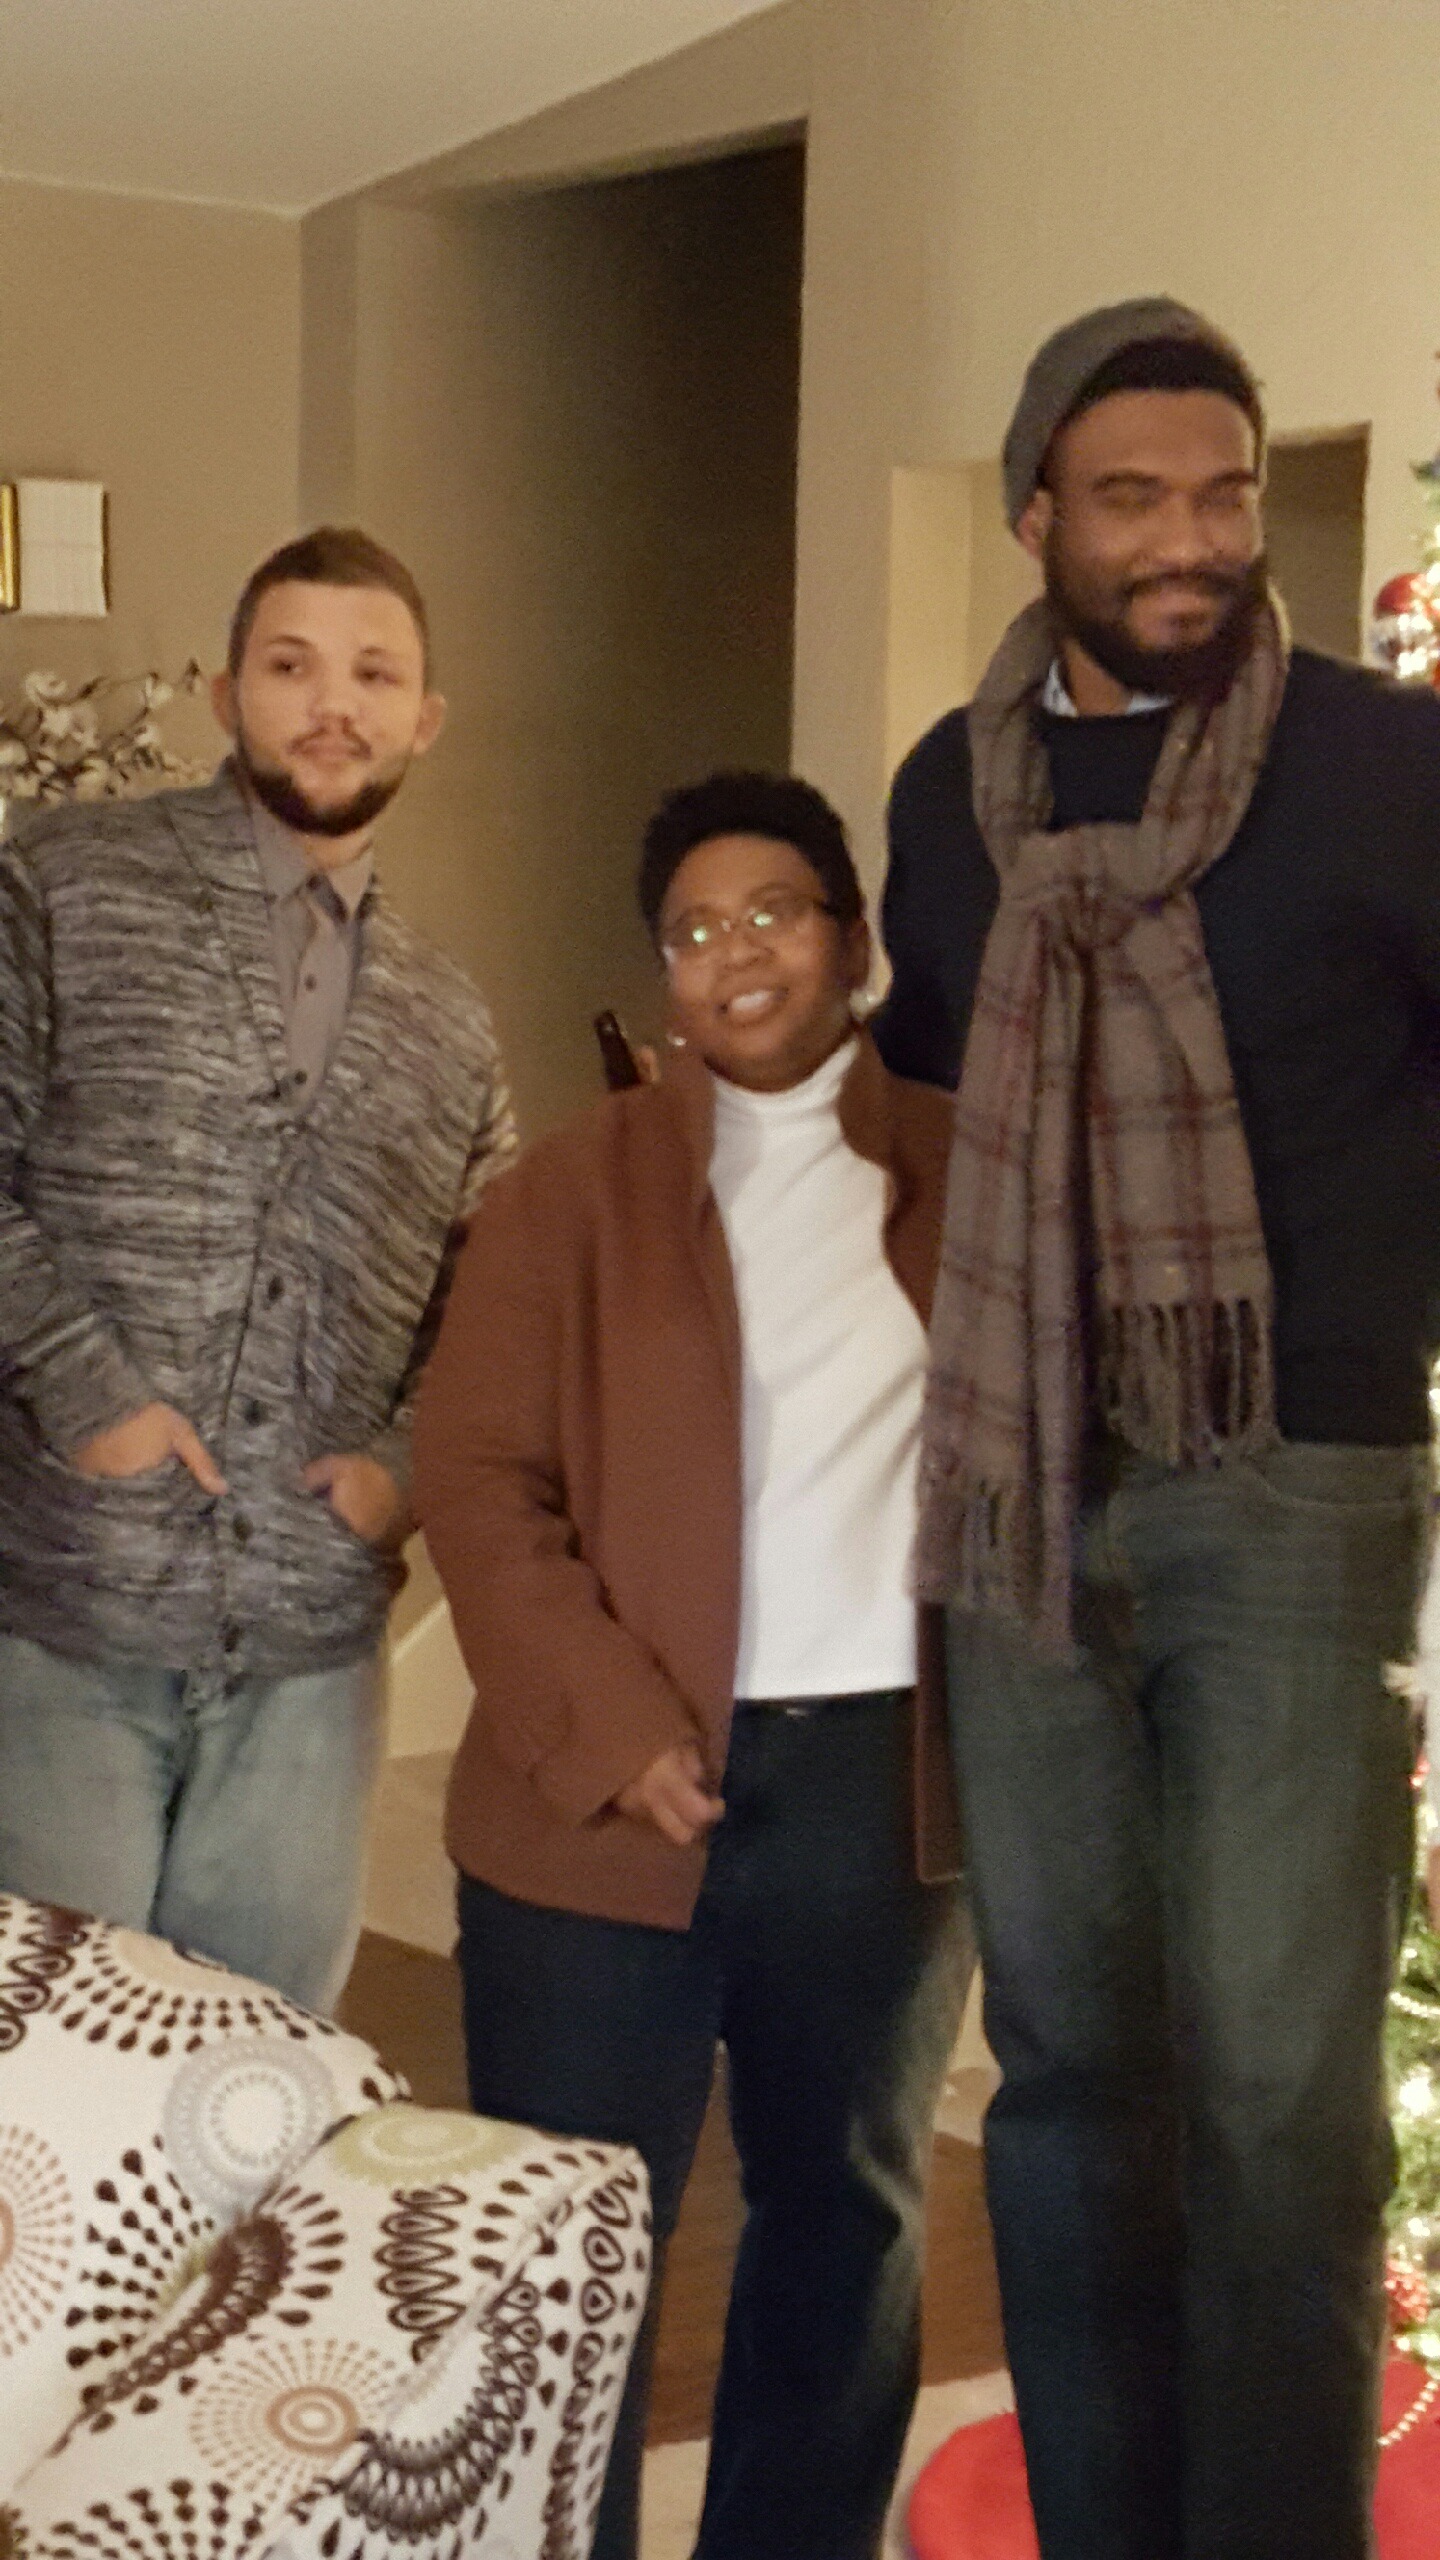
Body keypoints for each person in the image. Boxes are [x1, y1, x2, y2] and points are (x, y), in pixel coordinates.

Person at [877, 298, 1440, 2560]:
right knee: (1070, 2078)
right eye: (1132, 498)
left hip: (1296, 1489)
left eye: (1223, 493)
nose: (1190, 540)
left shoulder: (1389, 764)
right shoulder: (949, 796)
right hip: (1030, 1491)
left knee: (1283, 2096)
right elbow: (929, 1107)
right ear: (1040, 516)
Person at [414, 772, 970, 2560]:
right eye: (695, 929)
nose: (738, 951)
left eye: (775, 911)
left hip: (879, 1797)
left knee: (849, 2223)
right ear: (664, 971)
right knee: (568, 2243)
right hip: (602, 1802)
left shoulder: (969, 1170)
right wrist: (610, 1723)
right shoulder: (566, 1192)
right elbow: (476, 1480)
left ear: (852, 939)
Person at [0, 526, 514, 2012]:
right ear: (229, 696)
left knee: (260, 2082)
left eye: (375, 675)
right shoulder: (65, 887)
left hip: (310, 1655)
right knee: (44, 2080)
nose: (332, 704)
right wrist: (88, 1397)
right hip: (68, 1610)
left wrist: (401, 1469)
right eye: (292, 666)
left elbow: (493, 1302)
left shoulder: (448, 1020)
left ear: (426, 718)